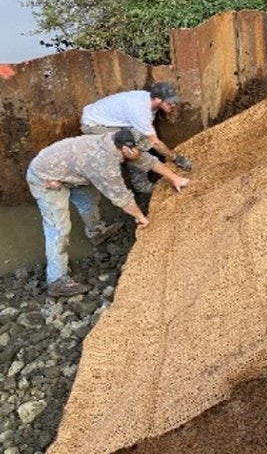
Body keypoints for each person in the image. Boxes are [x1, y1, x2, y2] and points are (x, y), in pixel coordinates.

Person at [26, 128, 191, 298]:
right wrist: (142, 218)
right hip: (45, 178)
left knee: (90, 200)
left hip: (72, 171)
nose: (142, 152)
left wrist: (175, 178)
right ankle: (56, 281)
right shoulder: (104, 163)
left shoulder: (116, 141)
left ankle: (96, 233)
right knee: (58, 227)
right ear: (126, 150)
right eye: (139, 149)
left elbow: (147, 161)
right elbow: (122, 198)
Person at [80, 82, 192, 193]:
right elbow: (155, 142)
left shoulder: (149, 100)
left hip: (110, 120)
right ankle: (141, 185)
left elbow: (147, 129)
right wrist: (176, 158)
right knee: (133, 152)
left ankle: (144, 176)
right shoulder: (140, 110)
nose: (173, 105)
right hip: (95, 124)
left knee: (140, 141)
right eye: (170, 102)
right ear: (158, 100)